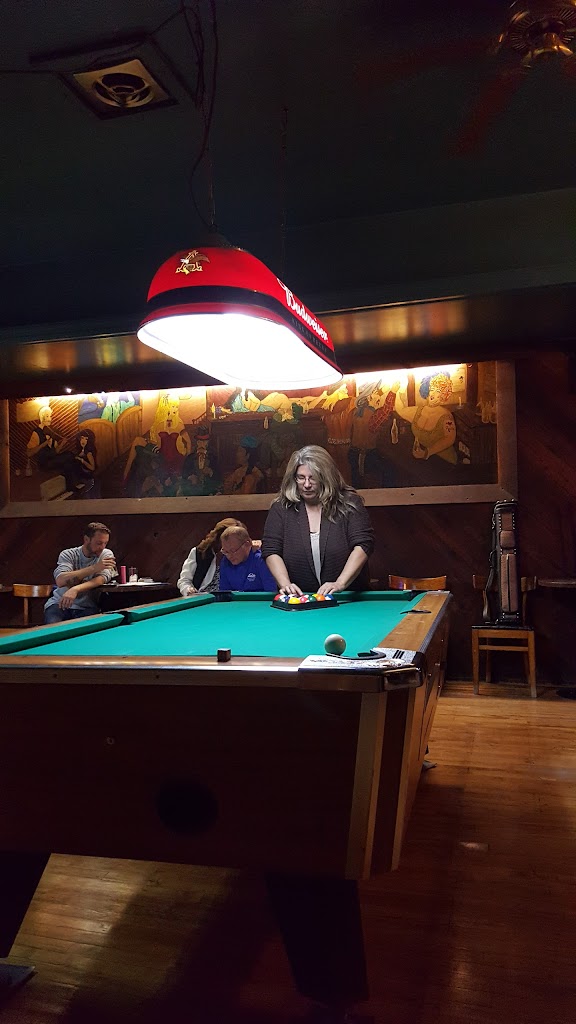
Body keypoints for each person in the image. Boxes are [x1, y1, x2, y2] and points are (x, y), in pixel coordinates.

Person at [262, 444, 374, 596]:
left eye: (313, 478)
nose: (307, 484)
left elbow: (363, 545)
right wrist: (285, 584)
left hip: (346, 598)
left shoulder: (349, 503)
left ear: (326, 477)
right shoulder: (281, 508)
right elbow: (271, 550)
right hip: (300, 599)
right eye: (301, 478)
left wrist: (340, 583)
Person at [44, 522, 116, 624]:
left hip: (87, 607)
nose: (102, 547)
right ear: (86, 539)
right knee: (52, 630)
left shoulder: (106, 554)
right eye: (99, 543)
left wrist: (75, 589)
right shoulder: (68, 554)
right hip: (59, 603)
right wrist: (95, 568)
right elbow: (60, 581)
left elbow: (101, 579)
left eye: (105, 543)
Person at [177, 518, 246, 596]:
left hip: (231, 597)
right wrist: (189, 590)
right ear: (219, 537)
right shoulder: (199, 553)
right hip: (202, 597)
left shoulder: (242, 553)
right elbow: (184, 581)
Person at [219, 525, 277, 592]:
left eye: (233, 551)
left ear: (247, 544)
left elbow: (271, 592)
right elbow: (224, 593)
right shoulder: (225, 562)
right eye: (226, 552)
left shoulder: (261, 560)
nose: (229, 556)